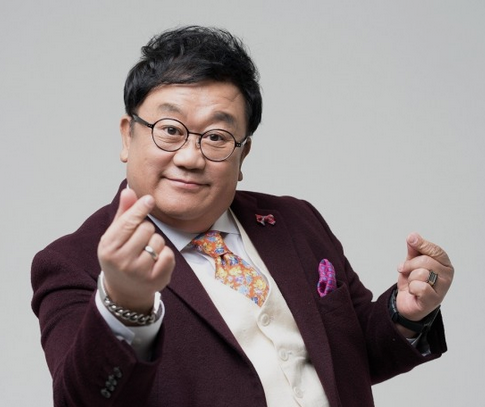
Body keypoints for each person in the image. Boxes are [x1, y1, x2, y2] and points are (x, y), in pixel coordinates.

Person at [31, 26, 454, 407]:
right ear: (128, 135)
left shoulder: (295, 221)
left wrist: (406, 313)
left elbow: (350, 355)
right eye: (171, 130)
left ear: (242, 154)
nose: (190, 157)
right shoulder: (74, 263)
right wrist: (124, 305)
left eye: (217, 136)